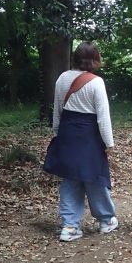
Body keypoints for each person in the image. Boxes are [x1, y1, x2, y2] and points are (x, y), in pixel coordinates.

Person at [43, 41, 119, 242]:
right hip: (89, 136)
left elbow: (57, 111)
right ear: (95, 60)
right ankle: (106, 220)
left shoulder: (62, 78)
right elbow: (103, 117)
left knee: (70, 178)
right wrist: (109, 143)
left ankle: (69, 226)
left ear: (75, 58)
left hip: (67, 134)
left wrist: (58, 134)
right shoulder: (96, 82)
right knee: (94, 177)